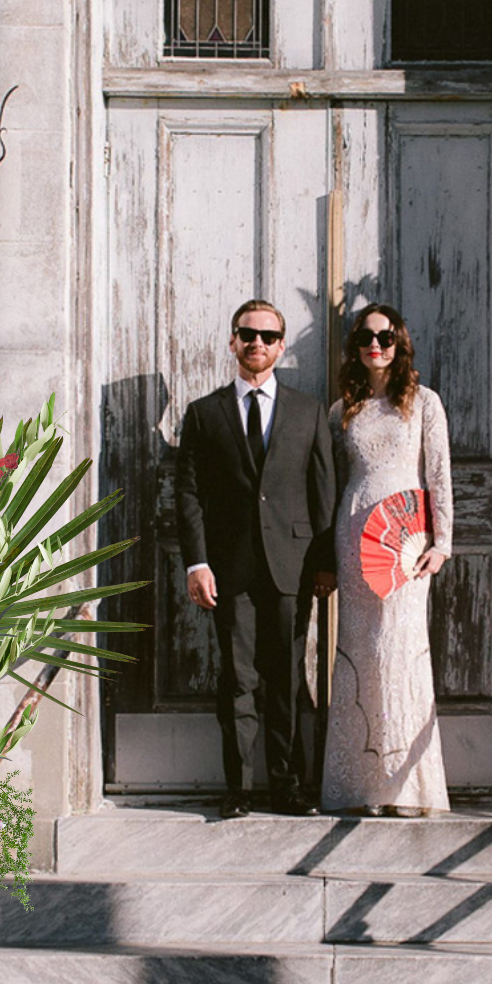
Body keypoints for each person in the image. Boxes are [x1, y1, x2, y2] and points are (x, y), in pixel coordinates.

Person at [171, 298, 337, 818]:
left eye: (268, 336)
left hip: (293, 565)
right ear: (233, 341)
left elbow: (323, 492)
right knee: (238, 679)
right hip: (230, 568)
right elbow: (189, 494)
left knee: (287, 678)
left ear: (281, 346)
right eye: (248, 334)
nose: (257, 343)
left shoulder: (309, 411)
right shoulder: (204, 414)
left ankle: (288, 786)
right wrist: (197, 563)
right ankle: (239, 789)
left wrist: (326, 562)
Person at [320, 303, 451, 817]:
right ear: (355, 347)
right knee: (360, 649)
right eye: (366, 337)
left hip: (407, 542)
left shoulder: (423, 402)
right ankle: (361, 784)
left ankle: (404, 787)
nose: (376, 345)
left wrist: (442, 542)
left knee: (400, 648)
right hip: (354, 535)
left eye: (386, 336)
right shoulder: (342, 410)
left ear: (400, 343)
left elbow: (438, 474)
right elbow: (328, 481)